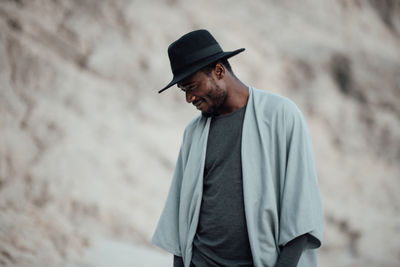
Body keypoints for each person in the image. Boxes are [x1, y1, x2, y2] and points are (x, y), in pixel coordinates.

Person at [152, 29, 323, 267]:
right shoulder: (194, 133)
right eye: (184, 90)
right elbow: (179, 218)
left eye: (191, 86)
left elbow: (302, 208)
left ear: (219, 71)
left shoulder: (280, 115)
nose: (189, 98)